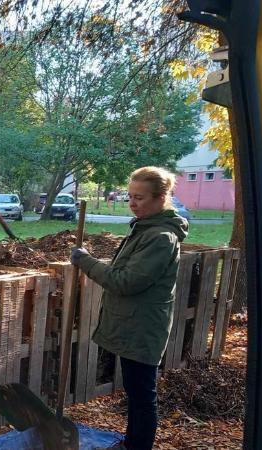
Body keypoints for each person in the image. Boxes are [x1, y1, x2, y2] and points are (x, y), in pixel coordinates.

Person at [70, 166, 188, 450]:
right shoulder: (145, 229)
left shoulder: (161, 238)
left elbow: (125, 282)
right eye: (130, 197)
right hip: (133, 323)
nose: (133, 203)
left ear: (161, 198)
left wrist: (85, 261)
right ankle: (132, 443)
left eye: (140, 198)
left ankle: (138, 446)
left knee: (142, 395)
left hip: (143, 327)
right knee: (137, 393)